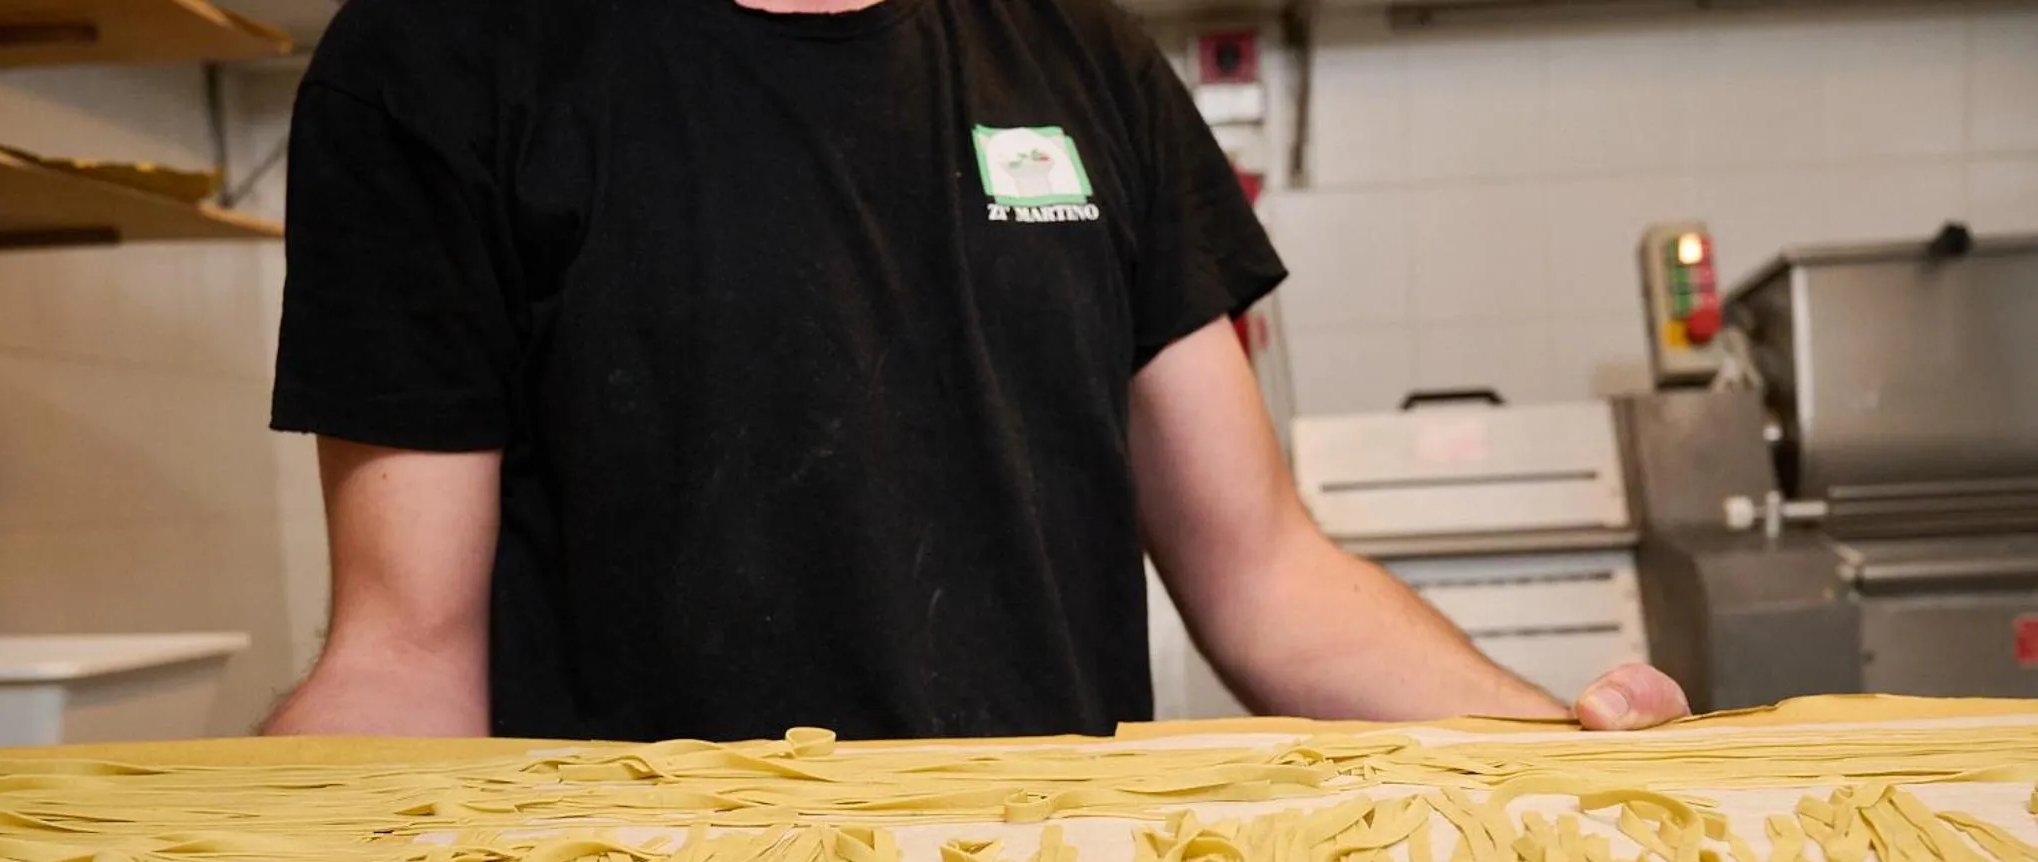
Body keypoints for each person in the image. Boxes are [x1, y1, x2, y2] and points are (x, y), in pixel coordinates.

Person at [263, 0, 1689, 743]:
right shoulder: (440, 65)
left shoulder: (1082, 61)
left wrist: (1553, 743)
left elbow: (1264, 572)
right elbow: (404, 657)